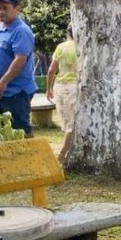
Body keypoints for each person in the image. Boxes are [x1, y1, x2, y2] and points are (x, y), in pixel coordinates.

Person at [0, 0, 38, 137]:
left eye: (5, 8)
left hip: (16, 91)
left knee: (21, 131)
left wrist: (3, 82)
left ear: (17, 9)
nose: (0, 11)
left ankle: (33, 158)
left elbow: (20, 60)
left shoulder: (21, 30)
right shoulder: (2, 28)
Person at [46, 27, 78, 162]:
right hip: (74, 87)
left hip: (59, 86)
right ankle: (62, 155)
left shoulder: (61, 47)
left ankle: (66, 152)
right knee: (72, 123)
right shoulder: (83, 47)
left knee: (66, 121)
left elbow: (51, 70)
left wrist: (49, 88)